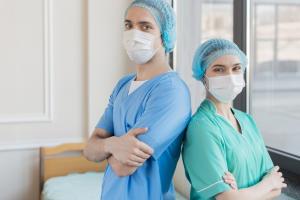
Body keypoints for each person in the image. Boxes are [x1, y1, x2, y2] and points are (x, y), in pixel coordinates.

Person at [84, 0, 191, 199]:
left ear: (165, 35)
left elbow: (122, 166)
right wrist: (113, 145)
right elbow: (90, 149)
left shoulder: (172, 91)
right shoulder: (123, 86)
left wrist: (105, 145)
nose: (134, 33)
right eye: (128, 25)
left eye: (145, 26)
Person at [182, 38, 287, 200]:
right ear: (203, 76)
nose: (230, 76)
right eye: (219, 69)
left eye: (236, 68)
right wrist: (267, 184)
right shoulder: (201, 128)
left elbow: (277, 187)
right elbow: (228, 198)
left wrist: (241, 194)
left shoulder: (247, 120)